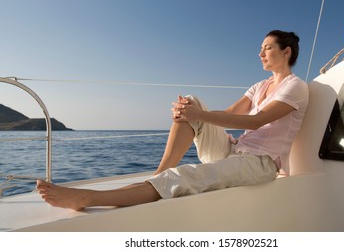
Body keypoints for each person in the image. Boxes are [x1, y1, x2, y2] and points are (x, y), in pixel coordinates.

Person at [36, 30, 309, 211]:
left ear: (286, 52)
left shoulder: (295, 87)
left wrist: (198, 116)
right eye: (260, 48)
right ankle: (158, 177)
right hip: (234, 149)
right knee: (192, 101)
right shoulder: (259, 85)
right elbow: (228, 115)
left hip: (259, 164)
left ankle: (88, 198)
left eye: (268, 48)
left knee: (186, 175)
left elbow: (256, 121)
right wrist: (191, 112)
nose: (261, 53)